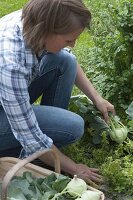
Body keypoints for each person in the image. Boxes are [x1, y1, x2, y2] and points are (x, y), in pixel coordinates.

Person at [0, 0, 115, 185]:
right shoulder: (10, 65)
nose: (74, 44)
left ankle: (49, 150)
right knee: (72, 126)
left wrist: (97, 98)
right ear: (46, 30)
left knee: (64, 61)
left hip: (6, 99)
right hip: (5, 107)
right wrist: (75, 169)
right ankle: (32, 156)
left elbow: (69, 59)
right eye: (69, 40)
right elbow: (30, 137)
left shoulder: (31, 22)